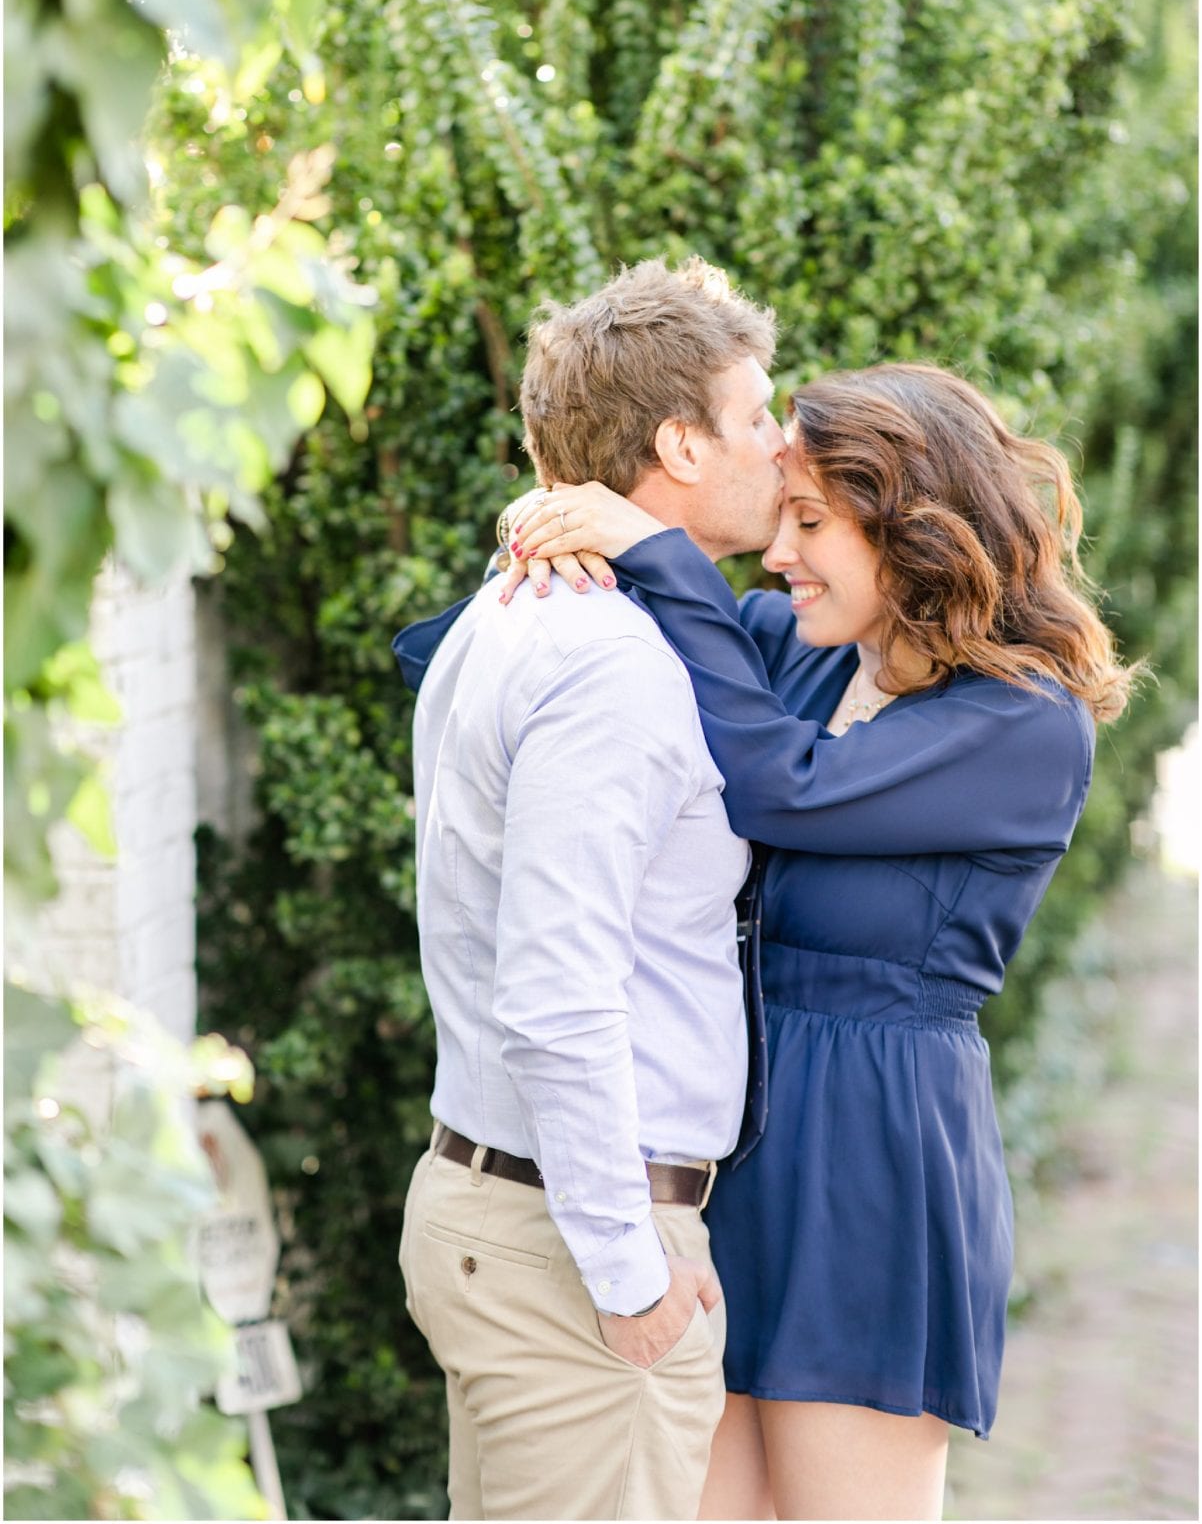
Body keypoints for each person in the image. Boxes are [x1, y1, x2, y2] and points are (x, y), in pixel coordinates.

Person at [497, 362, 1134, 1521]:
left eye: (808, 523)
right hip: (724, 1146)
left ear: (913, 528)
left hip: (867, 1156)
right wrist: (552, 536)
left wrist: (663, 559)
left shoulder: (1021, 725)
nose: (776, 556)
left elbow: (784, 786)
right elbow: (611, 655)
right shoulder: (799, 653)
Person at [391, 256, 787, 1522]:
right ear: (678, 440)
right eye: (755, 414)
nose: (780, 443)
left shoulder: (518, 613)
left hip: (519, 1214)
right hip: (570, 1249)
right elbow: (556, 992)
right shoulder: (609, 663)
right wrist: (630, 1276)